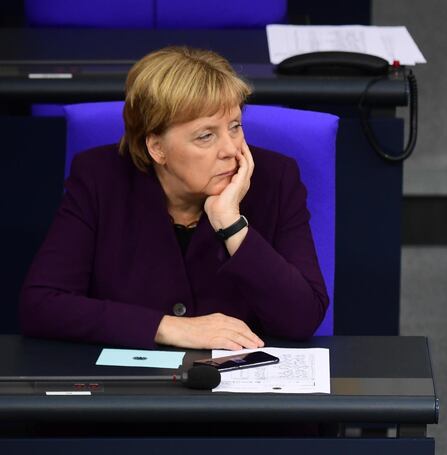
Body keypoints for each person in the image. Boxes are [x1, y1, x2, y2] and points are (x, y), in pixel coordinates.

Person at [19, 46, 328, 350]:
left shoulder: (275, 179)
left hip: (239, 392)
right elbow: (41, 305)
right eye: (206, 135)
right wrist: (168, 327)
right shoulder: (99, 179)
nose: (231, 150)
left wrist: (232, 225)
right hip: (130, 388)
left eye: (235, 127)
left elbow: (302, 319)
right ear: (157, 148)